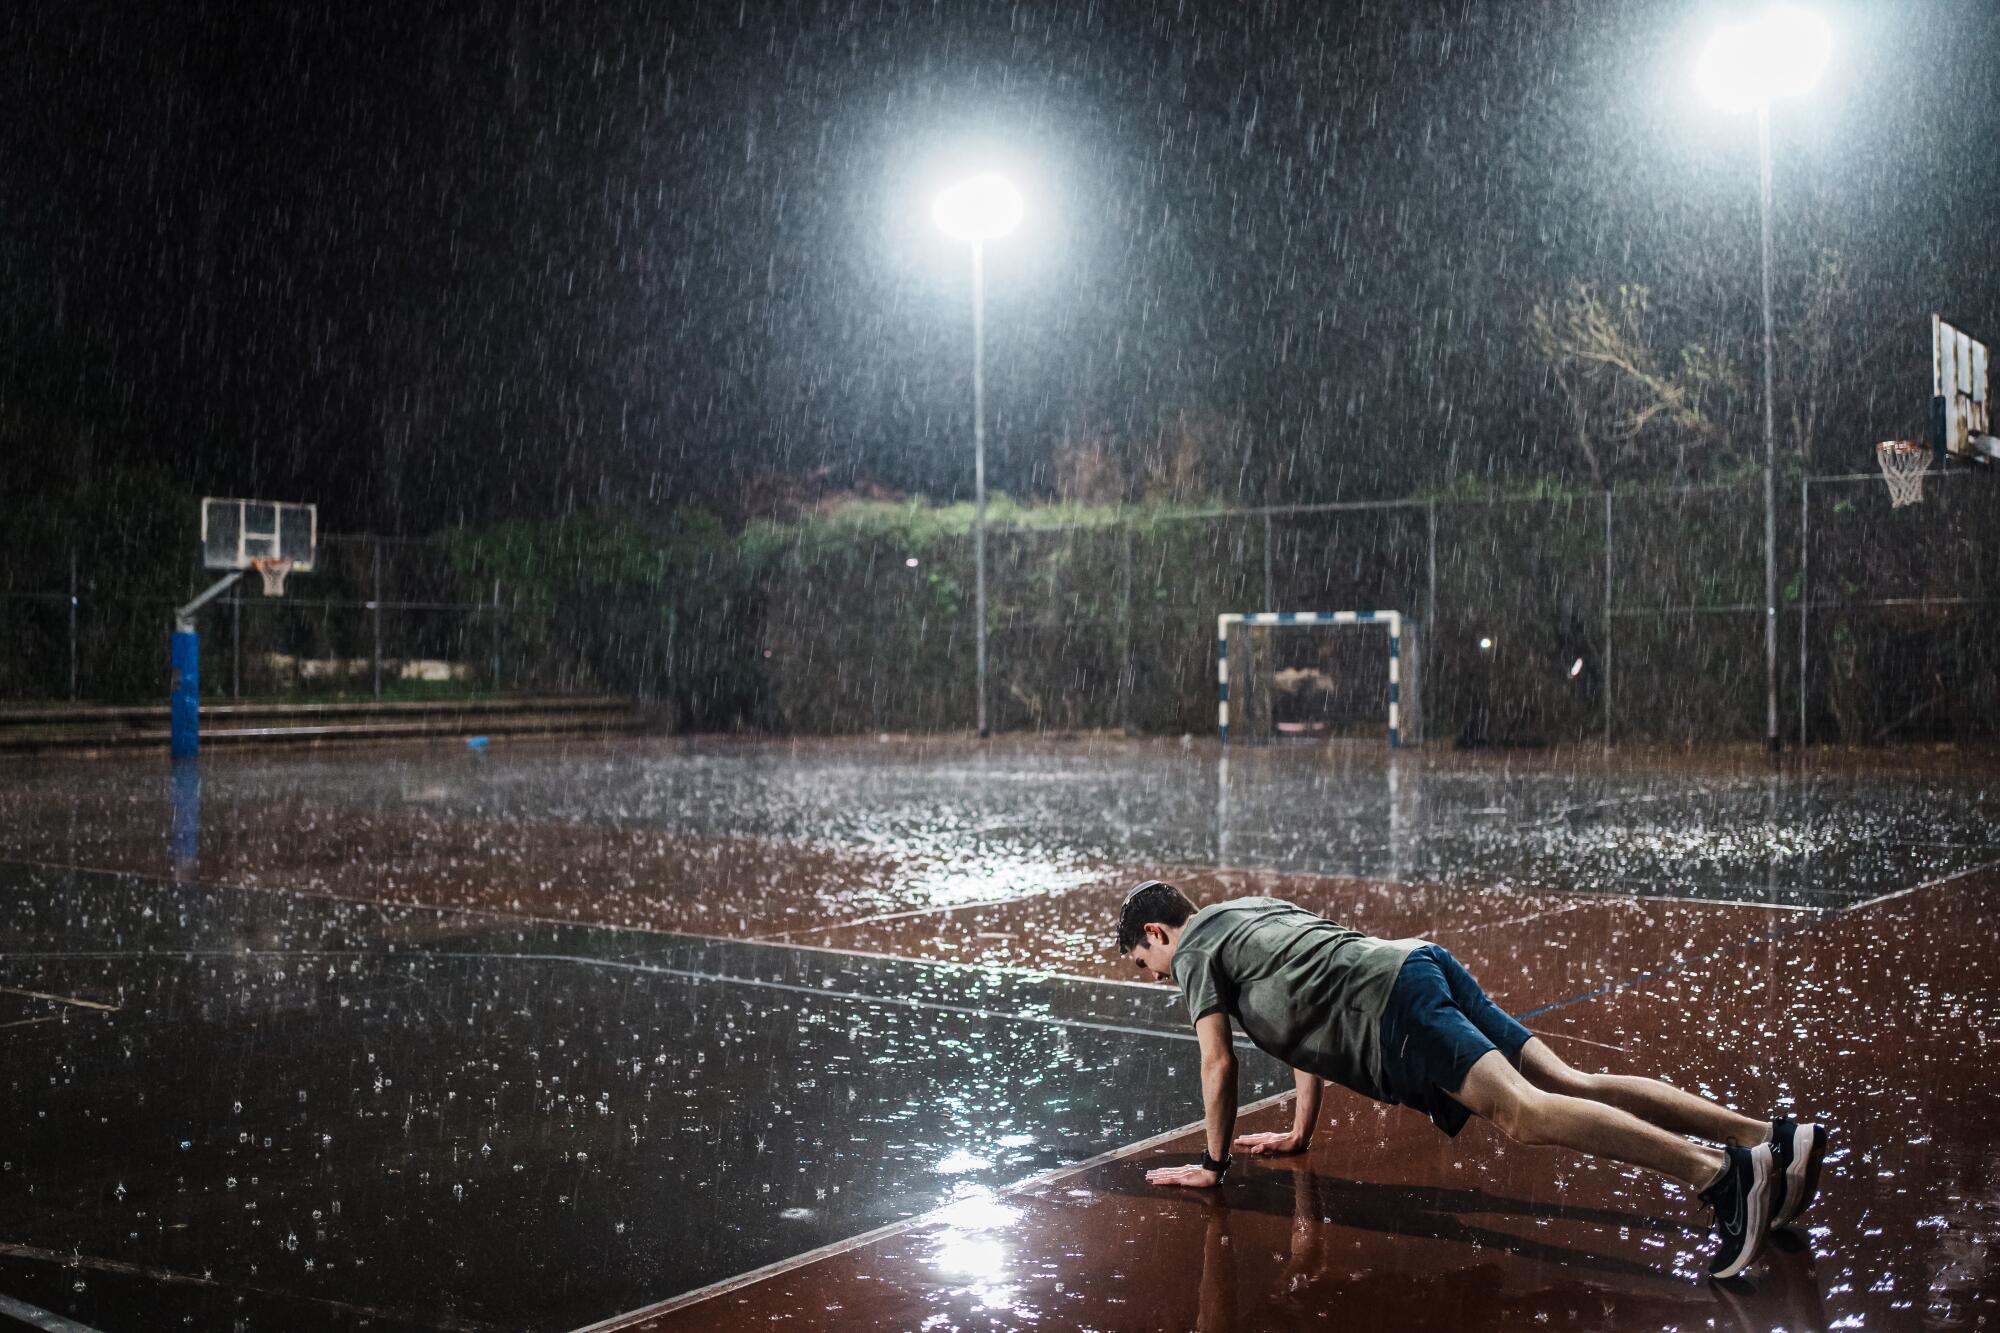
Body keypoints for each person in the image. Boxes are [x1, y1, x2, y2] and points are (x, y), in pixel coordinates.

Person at [1114, 881, 1828, 1280]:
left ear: (1155, 932)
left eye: (1149, 966)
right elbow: (1306, 1004)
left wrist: (1215, 1163)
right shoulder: (1248, 910)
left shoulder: (1196, 951)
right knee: (1568, 1081)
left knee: (1524, 1113)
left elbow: (1218, 1060)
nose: (1163, 980)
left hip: (1392, 1003)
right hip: (1417, 962)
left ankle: (1722, 1177)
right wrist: (1303, 1128)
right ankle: (1772, 1141)